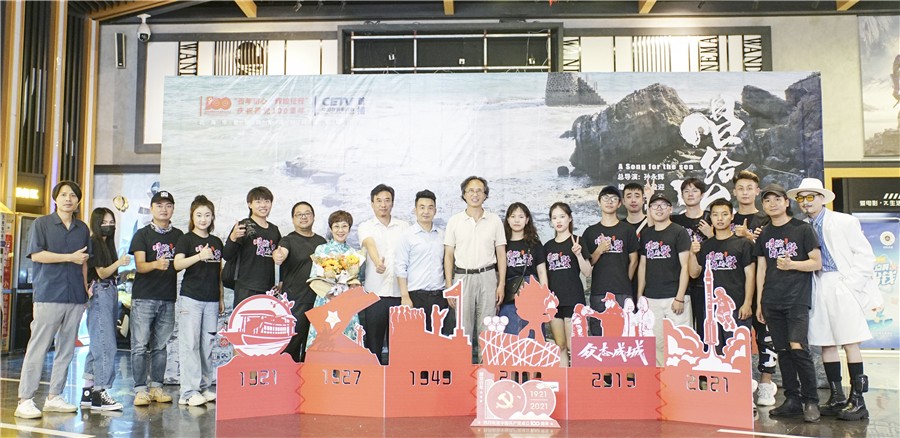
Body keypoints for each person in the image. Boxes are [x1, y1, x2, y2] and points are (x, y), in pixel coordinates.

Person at [788, 178, 881, 421]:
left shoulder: (844, 221)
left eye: (811, 197)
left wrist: (850, 284)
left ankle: (858, 400)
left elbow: (865, 255)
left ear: (822, 198)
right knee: (826, 343)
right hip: (817, 284)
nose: (806, 202)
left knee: (850, 341)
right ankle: (837, 396)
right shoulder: (801, 226)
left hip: (842, 282)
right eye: (801, 198)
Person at [15, 181, 91, 419]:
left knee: (66, 349)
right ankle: (25, 399)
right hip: (49, 294)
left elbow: (84, 262)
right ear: (55, 199)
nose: (68, 199)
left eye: (73, 195)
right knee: (38, 347)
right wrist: (69, 257)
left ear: (78, 201)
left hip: (75, 296)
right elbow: (37, 255)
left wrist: (85, 290)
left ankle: (54, 396)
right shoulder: (42, 224)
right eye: (64, 195)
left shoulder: (82, 228)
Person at [754, 183, 822, 423]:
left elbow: (816, 262)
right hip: (771, 300)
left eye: (777, 199)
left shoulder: (802, 229)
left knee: (798, 348)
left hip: (796, 299)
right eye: (767, 200)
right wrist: (759, 302)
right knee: (782, 350)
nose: (772, 204)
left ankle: (811, 400)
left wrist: (793, 264)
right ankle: (792, 399)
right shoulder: (764, 233)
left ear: (786, 202)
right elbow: (761, 269)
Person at [129, 190, 183, 406]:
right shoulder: (142, 234)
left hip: (168, 297)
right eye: (159, 205)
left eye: (168, 205)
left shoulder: (179, 235)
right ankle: (140, 390)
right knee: (140, 346)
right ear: (152, 208)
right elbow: (139, 266)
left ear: (173, 209)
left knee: (160, 346)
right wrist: (155, 264)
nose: (164, 209)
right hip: (144, 297)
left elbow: (181, 263)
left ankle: (157, 387)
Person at [444, 176, 507, 362]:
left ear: (485, 195)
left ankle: (485, 371)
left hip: (488, 276)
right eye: (470, 190)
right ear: (463, 194)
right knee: (462, 329)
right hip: (462, 278)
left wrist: (501, 284)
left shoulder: (494, 220)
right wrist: (449, 286)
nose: (475, 194)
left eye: (479, 190)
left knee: (487, 329)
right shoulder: (455, 221)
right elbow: (448, 255)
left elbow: (501, 254)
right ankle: (463, 372)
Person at [731, 169, 778, 407]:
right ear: (734, 192)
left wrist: (749, 237)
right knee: (735, 339)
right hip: (733, 288)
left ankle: (766, 385)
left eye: (750, 188)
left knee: (766, 337)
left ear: (757, 191)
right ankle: (741, 385)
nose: (745, 192)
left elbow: (771, 253)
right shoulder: (726, 218)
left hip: (763, 287)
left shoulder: (767, 219)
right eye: (740, 188)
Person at [173, 195, 223, 406]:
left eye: (207, 215)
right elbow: (177, 265)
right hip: (191, 298)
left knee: (207, 344)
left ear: (212, 217)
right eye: (199, 215)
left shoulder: (216, 242)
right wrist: (199, 257)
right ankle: (188, 392)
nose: (203, 219)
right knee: (190, 343)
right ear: (192, 217)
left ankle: (203, 387)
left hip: (211, 299)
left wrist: (220, 297)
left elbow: (218, 272)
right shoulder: (186, 239)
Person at [688, 198, 755, 351]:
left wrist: (747, 303)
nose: (719, 218)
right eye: (715, 214)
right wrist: (692, 254)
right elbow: (694, 273)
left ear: (732, 216)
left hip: (737, 307)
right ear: (710, 218)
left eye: (724, 214)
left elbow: (750, 275)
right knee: (716, 352)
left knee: (738, 351)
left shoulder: (743, 243)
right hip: (711, 309)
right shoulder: (705, 246)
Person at [80, 207, 130, 411]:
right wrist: (120, 262)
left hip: (109, 290)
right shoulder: (94, 242)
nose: (109, 225)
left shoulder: (106, 243)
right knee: (105, 344)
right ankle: (100, 393)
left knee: (97, 343)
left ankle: (88, 391)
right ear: (96, 222)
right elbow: (101, 273)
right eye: (104, 222)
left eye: (111, 222)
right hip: (101, 291)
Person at [637, 192, 692, 366]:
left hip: (675, 297)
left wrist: (680, 297)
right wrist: (640, 295)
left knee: (681, 343)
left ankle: (682, 378)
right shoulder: (646, 234)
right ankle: (661, 379)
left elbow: (685, 266)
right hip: (652, 297)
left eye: (663, 205)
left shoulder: (679, 232)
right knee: (656, 344)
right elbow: (643, 265)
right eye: (655, 205)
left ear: (670, 209)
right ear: (649, 209)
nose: (659, 209)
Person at [358, 184, 409, 364]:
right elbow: (369, 243)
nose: (383, 205)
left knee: (400, 345)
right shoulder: (366, 226)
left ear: (392, 203)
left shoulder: (404, 227)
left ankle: (398, 379)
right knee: (374, 344)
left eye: (387, 200)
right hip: (375, 295)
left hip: (399, 294)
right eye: (379, 201)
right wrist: (377, 261)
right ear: (372, 203)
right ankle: (374, 378)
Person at [273, 202, 327, 362]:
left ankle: (310, 376)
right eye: (299, 214)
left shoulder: (321, 242)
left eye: (307, 213)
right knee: (291, 345)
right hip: (295, 302)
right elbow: (280, 252)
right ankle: (287, 375)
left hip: (318, 301)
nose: (303, 217)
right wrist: (278, 256)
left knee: (315, 346)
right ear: (293, 219)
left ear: (313, 217)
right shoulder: (288, 240)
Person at [396, 190, 453, 335]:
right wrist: (405, 296)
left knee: (439, 339)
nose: (426, 211)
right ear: (415, 210)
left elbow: (447, 263)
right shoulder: (407, 236)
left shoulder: (442, 235)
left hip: (439, 296)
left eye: (430, 207)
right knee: (417, 340)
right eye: (422, 207)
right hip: (415, 296)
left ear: (435, 210)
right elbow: (400, 267)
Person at [582, 186, 639, 325]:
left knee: (626, 331)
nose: (609, 201)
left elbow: (634, 260)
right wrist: (599, 250)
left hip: (623, 291)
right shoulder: (590, 232)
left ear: (619, 204)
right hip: (599, 291)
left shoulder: (627, 230)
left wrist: (625, 280)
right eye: (605, 198)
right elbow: (588, 265)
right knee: (600, 332)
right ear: (599, 202)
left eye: (614, 199)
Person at [544, 202, 592, 367]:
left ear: (570, 218)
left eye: (562, 216)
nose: (558, 221)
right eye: (554, 218)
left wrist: (578, 255)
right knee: (560, 346)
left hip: (573, 299)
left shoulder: (578, 241)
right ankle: (563, 379)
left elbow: (587, 272)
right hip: (554, 302)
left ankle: (578, 380)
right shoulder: (547, 246)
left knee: (574, 346)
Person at [307, 211, 364, 346]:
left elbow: (356, 278)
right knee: (324, 337)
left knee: (346, 338)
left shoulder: (353, 253)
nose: (340, 230)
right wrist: (329, 293)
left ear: (349, 229)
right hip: (326, 299)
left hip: (346, 301)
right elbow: (314, 276)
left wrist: (353, 286)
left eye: (344, 226)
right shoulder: (321, 249)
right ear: (331, 229)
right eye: (336, 226)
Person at [223, 186, 281, 308]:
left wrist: (281, 282)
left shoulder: (274, 230)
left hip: (268, 288)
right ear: (249, 204)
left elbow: (282, 256)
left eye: (267, 201)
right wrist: (233, 237)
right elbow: (227, 255)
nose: (263, 205)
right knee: (245, 319)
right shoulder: (243, 226)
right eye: (258, 202)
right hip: (246, 288)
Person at [671, 177, 714, 337]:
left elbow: (724, 244)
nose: (690, 194)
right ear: (681, 195)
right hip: (681, 280)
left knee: (706, 326)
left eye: (695, 190)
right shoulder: (675, 220)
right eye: (686, 191)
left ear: (702, 195)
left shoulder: (711, 218)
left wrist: (710, 235)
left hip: (706, 280)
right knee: (684, 329)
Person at [500, 202, 548, 337]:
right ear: (508, 219)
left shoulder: (534, 243)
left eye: (521, 217)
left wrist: (545, 296)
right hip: (509, 293)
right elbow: (498, 273)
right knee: (510, 333)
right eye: (513, 216)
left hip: (531, 290)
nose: (517, 220)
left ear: (527, 220)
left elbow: (542, 272)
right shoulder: (502, 244)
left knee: (532, 332)